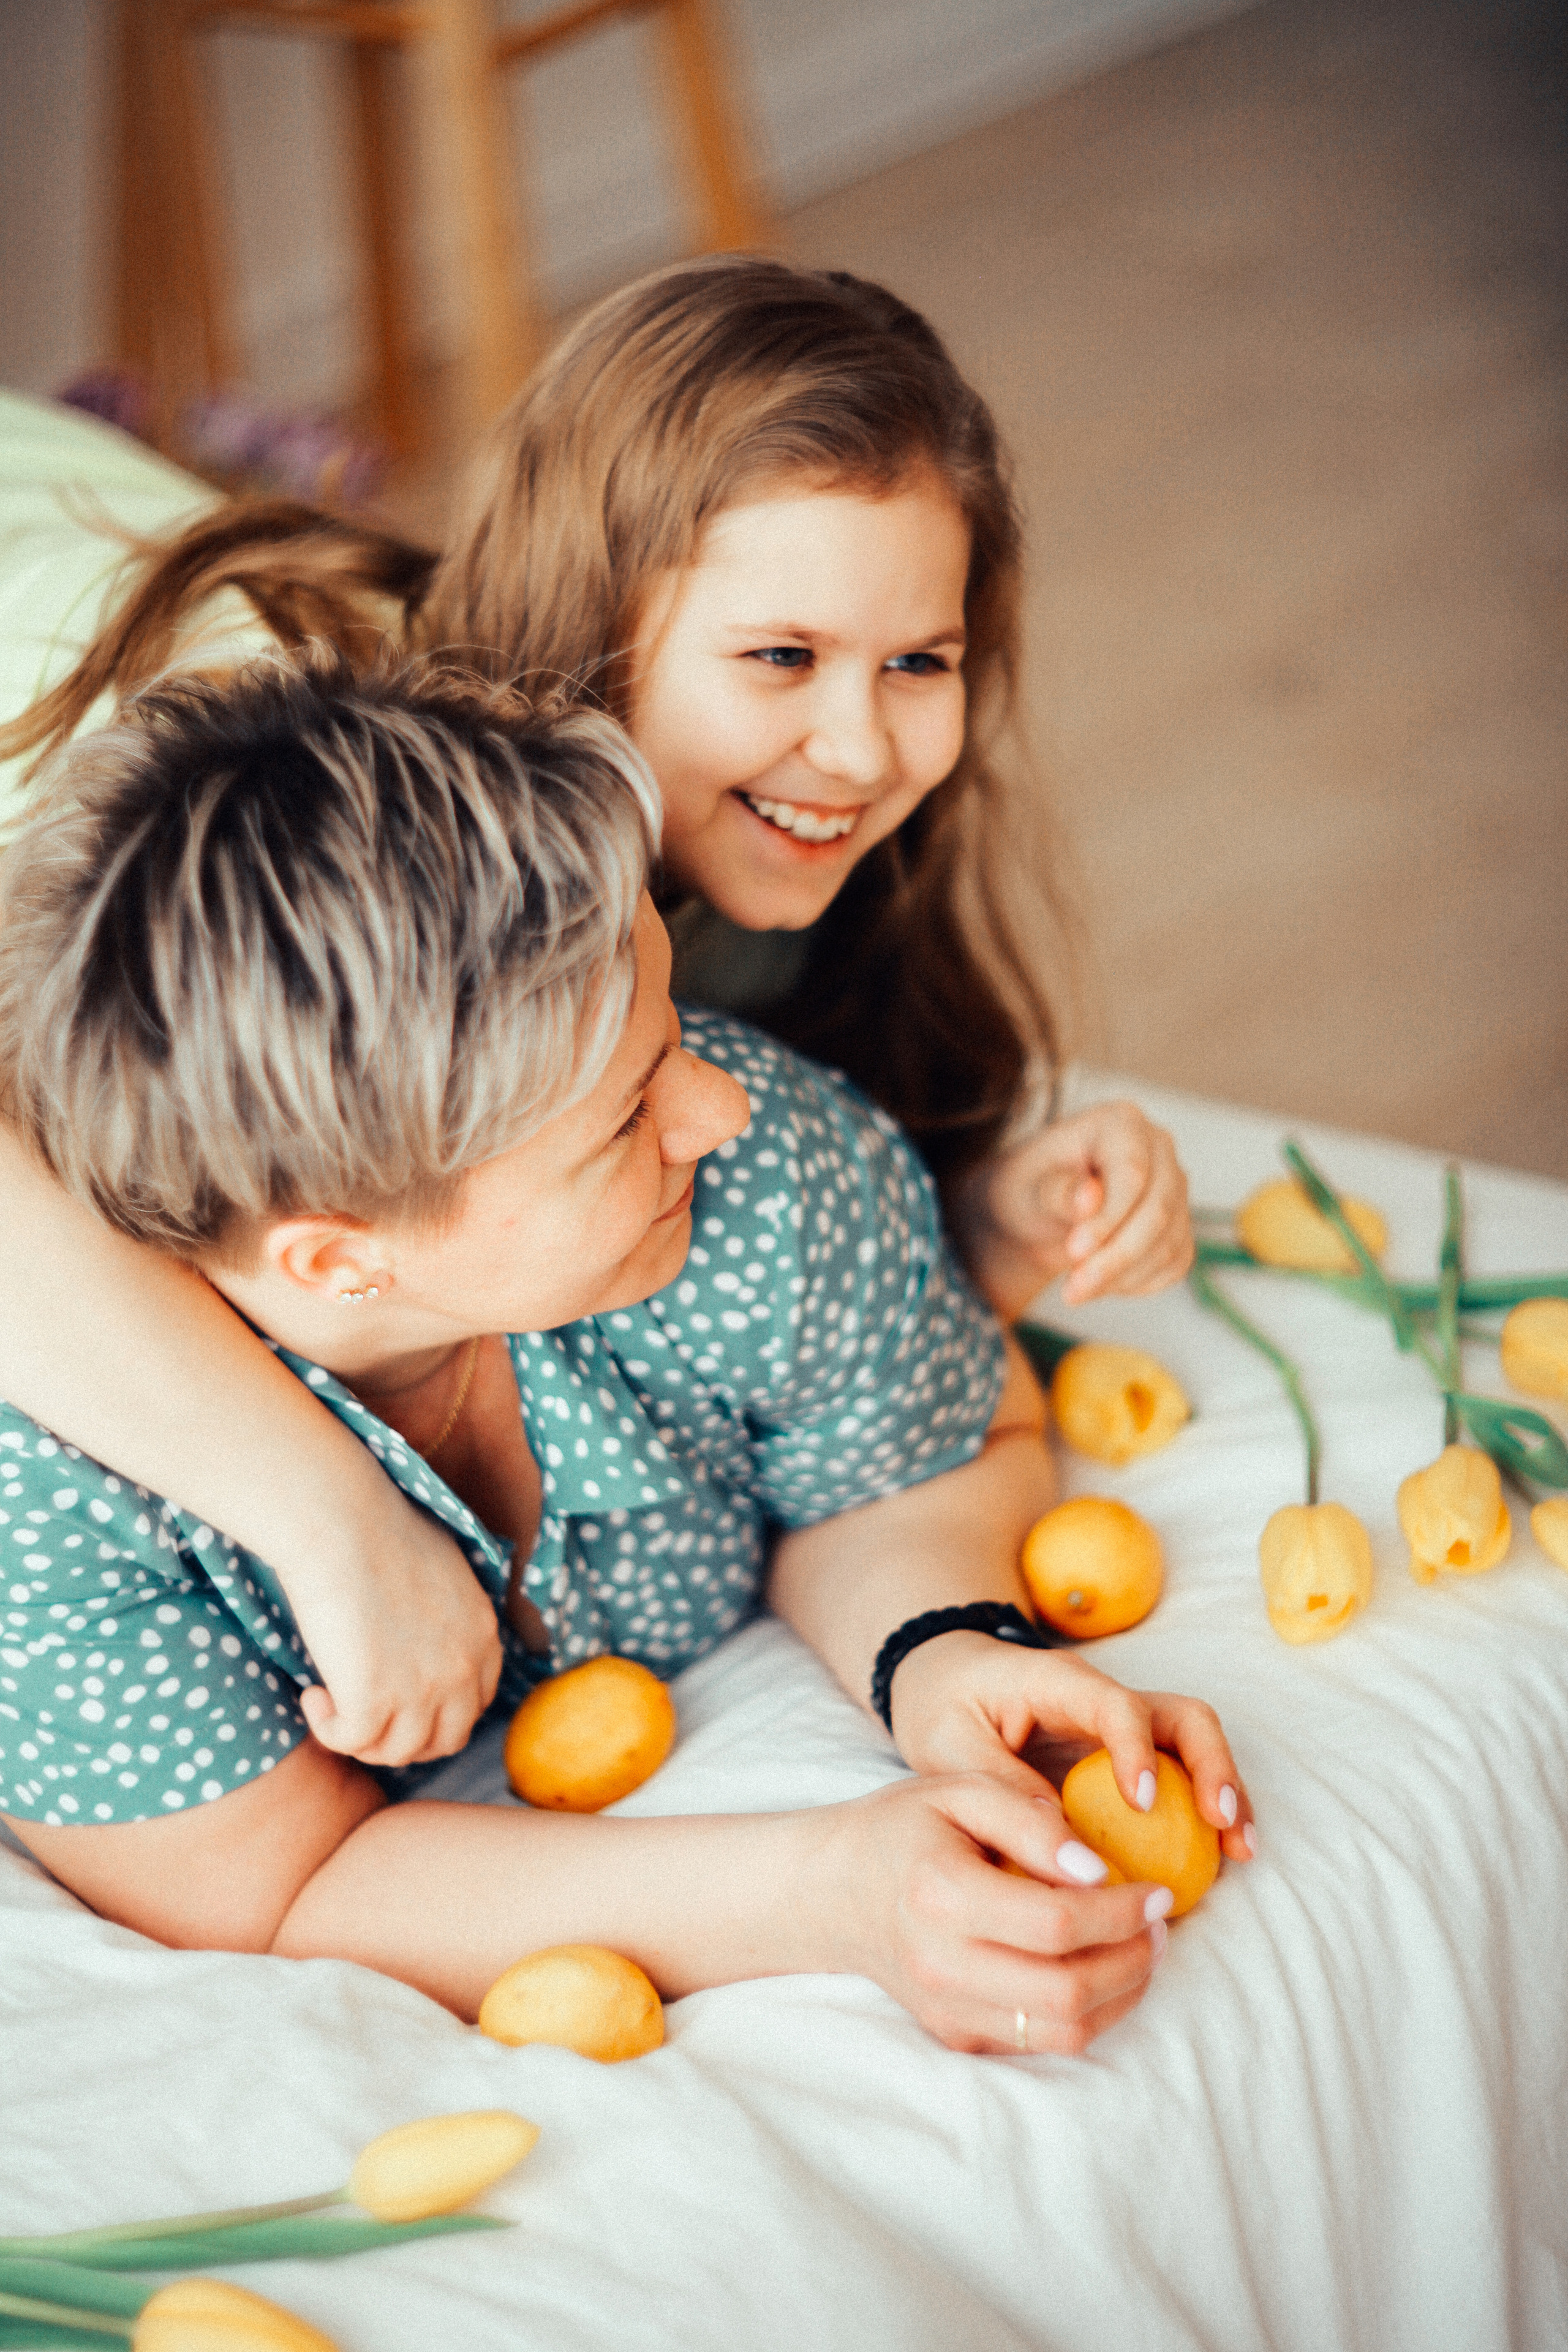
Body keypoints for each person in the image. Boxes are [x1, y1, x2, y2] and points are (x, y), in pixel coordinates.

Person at [0, 257, 1191, 1767]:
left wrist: (970, 1231)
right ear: (599, 618)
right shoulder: (275, 842)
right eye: (778, 657)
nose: (856, 745)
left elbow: (721, 1241)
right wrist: (330, 1513)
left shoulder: (717, 889)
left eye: (919, 662)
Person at [0, 655, 1252, 2049]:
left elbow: (895, 1466)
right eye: (622, 1120)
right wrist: (831, 1889)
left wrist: (940, 1651)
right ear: (337, 1256)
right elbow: (281, 1889)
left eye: (667, 1028)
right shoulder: (54, 1512)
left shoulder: (760, 1178)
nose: (716, 1108)